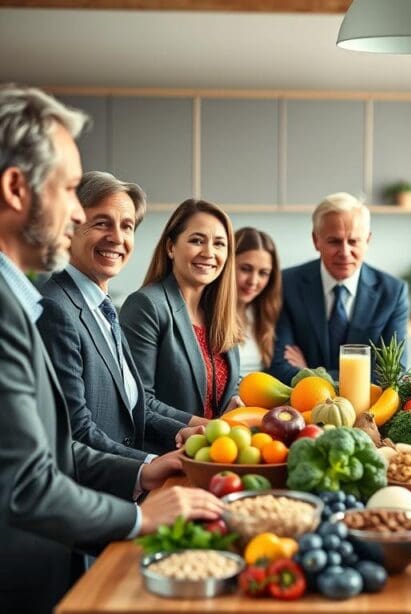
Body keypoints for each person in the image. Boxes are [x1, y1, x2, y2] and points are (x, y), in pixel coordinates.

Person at [0, 84, 224, 613]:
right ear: (15, 188)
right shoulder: (27, 309)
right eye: (69, 192)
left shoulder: (33, 301)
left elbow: (55, 447)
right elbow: (30, 482)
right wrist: (143, 515)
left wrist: (147, 469)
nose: (77, 216)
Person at [37, 171, 196, 461]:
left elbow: (130, 406)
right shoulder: (55, 309)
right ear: (70, 225)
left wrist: (184, 430)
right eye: (102, 223)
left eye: (127, 226)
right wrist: (150, 465)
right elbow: (77, 431)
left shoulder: (103, 307)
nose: (117, 238)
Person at [120, 199, 241, 420]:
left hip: (219, 450)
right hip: (167, 451)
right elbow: (138, 400)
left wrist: (237, 400)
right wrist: (205, 427)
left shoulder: (220, 312)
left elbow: (225, 385)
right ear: (170, 247)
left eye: (219, 244)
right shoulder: (146, 306)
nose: (208, 252)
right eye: (197, 240)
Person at [268, 192, 408, 384]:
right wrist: (350, 379)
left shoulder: (392, 292)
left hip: (368, 410)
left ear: (367, 240)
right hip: (301, 407)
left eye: (353, 241)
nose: (344, 252)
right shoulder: (286, 284)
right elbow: (279, 367)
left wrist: (310, 373)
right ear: (316, 241)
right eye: (334, 241)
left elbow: (393, 374)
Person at [234, 226, 281, 377]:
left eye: (263, 273)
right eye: (246, 269)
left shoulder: (262, 313)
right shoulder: (204, 313)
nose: (253, 281)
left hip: (257, 399)